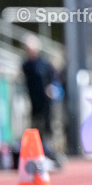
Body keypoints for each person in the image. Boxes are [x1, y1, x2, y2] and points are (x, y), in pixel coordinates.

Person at [20, 36, 63, 167]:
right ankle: (37, 153)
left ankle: (51, 153)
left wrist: (51, 88)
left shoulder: (45, 64)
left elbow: (54, 79)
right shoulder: (25, 65)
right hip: (33, 101)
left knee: (49, 127)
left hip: (46, 102)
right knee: (35, 128)